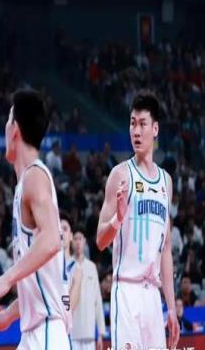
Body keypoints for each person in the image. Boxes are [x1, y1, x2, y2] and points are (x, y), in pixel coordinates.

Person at [0, 89, 70, 349]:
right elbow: (42, 281)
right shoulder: (26, 183)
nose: (5, 128)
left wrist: (6, 278)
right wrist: (9, 314)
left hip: (47, 332)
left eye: (8, 120)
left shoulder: (34, 177)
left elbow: (52, 240)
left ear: (15, 130)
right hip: (35, 333)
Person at [96, 91, 179, 350]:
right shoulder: (120, 174)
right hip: (126, 291)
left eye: (143, 124)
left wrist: (171, 307)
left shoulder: (166, 182)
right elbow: (100, 240)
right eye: (133, 123)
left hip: (153, 296)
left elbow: (166, 248)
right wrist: (118, 219)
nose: (136, 131)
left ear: (155, 129)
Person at [70, 227, 105, 350]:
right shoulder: (67, 266)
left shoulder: (92, 267)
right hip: (72, 333)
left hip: (89, 333)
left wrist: (100, 333)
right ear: (71, 241)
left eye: (80, 239)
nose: (78, 242)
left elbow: (98, 301)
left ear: (84, 241)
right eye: (75, 239)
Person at [60, 214, 82, 312]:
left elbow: (70, 308)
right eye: (58, 229)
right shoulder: (47, 265)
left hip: (61, 319)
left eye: (65, 229)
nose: (61, 233)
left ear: (71, 236)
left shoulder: (76, 269)